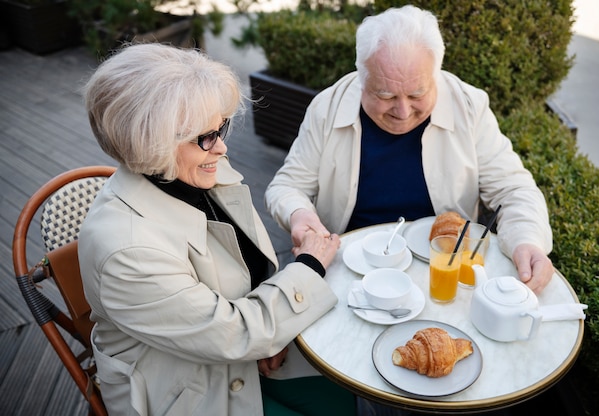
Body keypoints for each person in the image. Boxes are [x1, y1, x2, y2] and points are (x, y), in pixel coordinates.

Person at [78, 43, 356, 416]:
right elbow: (236, 333)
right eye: (206, 136)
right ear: (151, 141)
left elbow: (247, 287)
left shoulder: (195, 171)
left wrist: (269, 338)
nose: (222, 148)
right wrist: (309, 266)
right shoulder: (127, 251)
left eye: (220, 126)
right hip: (189, 395)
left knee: (344, 397)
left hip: (245, 356)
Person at [265, 5, 554, 294]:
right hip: (352, 268)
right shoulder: (327, 109)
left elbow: (514, 190)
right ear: (361, 79)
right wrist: (298, 213)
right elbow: (287, 186)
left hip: (442, 273)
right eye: (385, 95)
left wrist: (527, 240)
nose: (403, 112)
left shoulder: (469, 107)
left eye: (417, 94)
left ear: (435, 74)